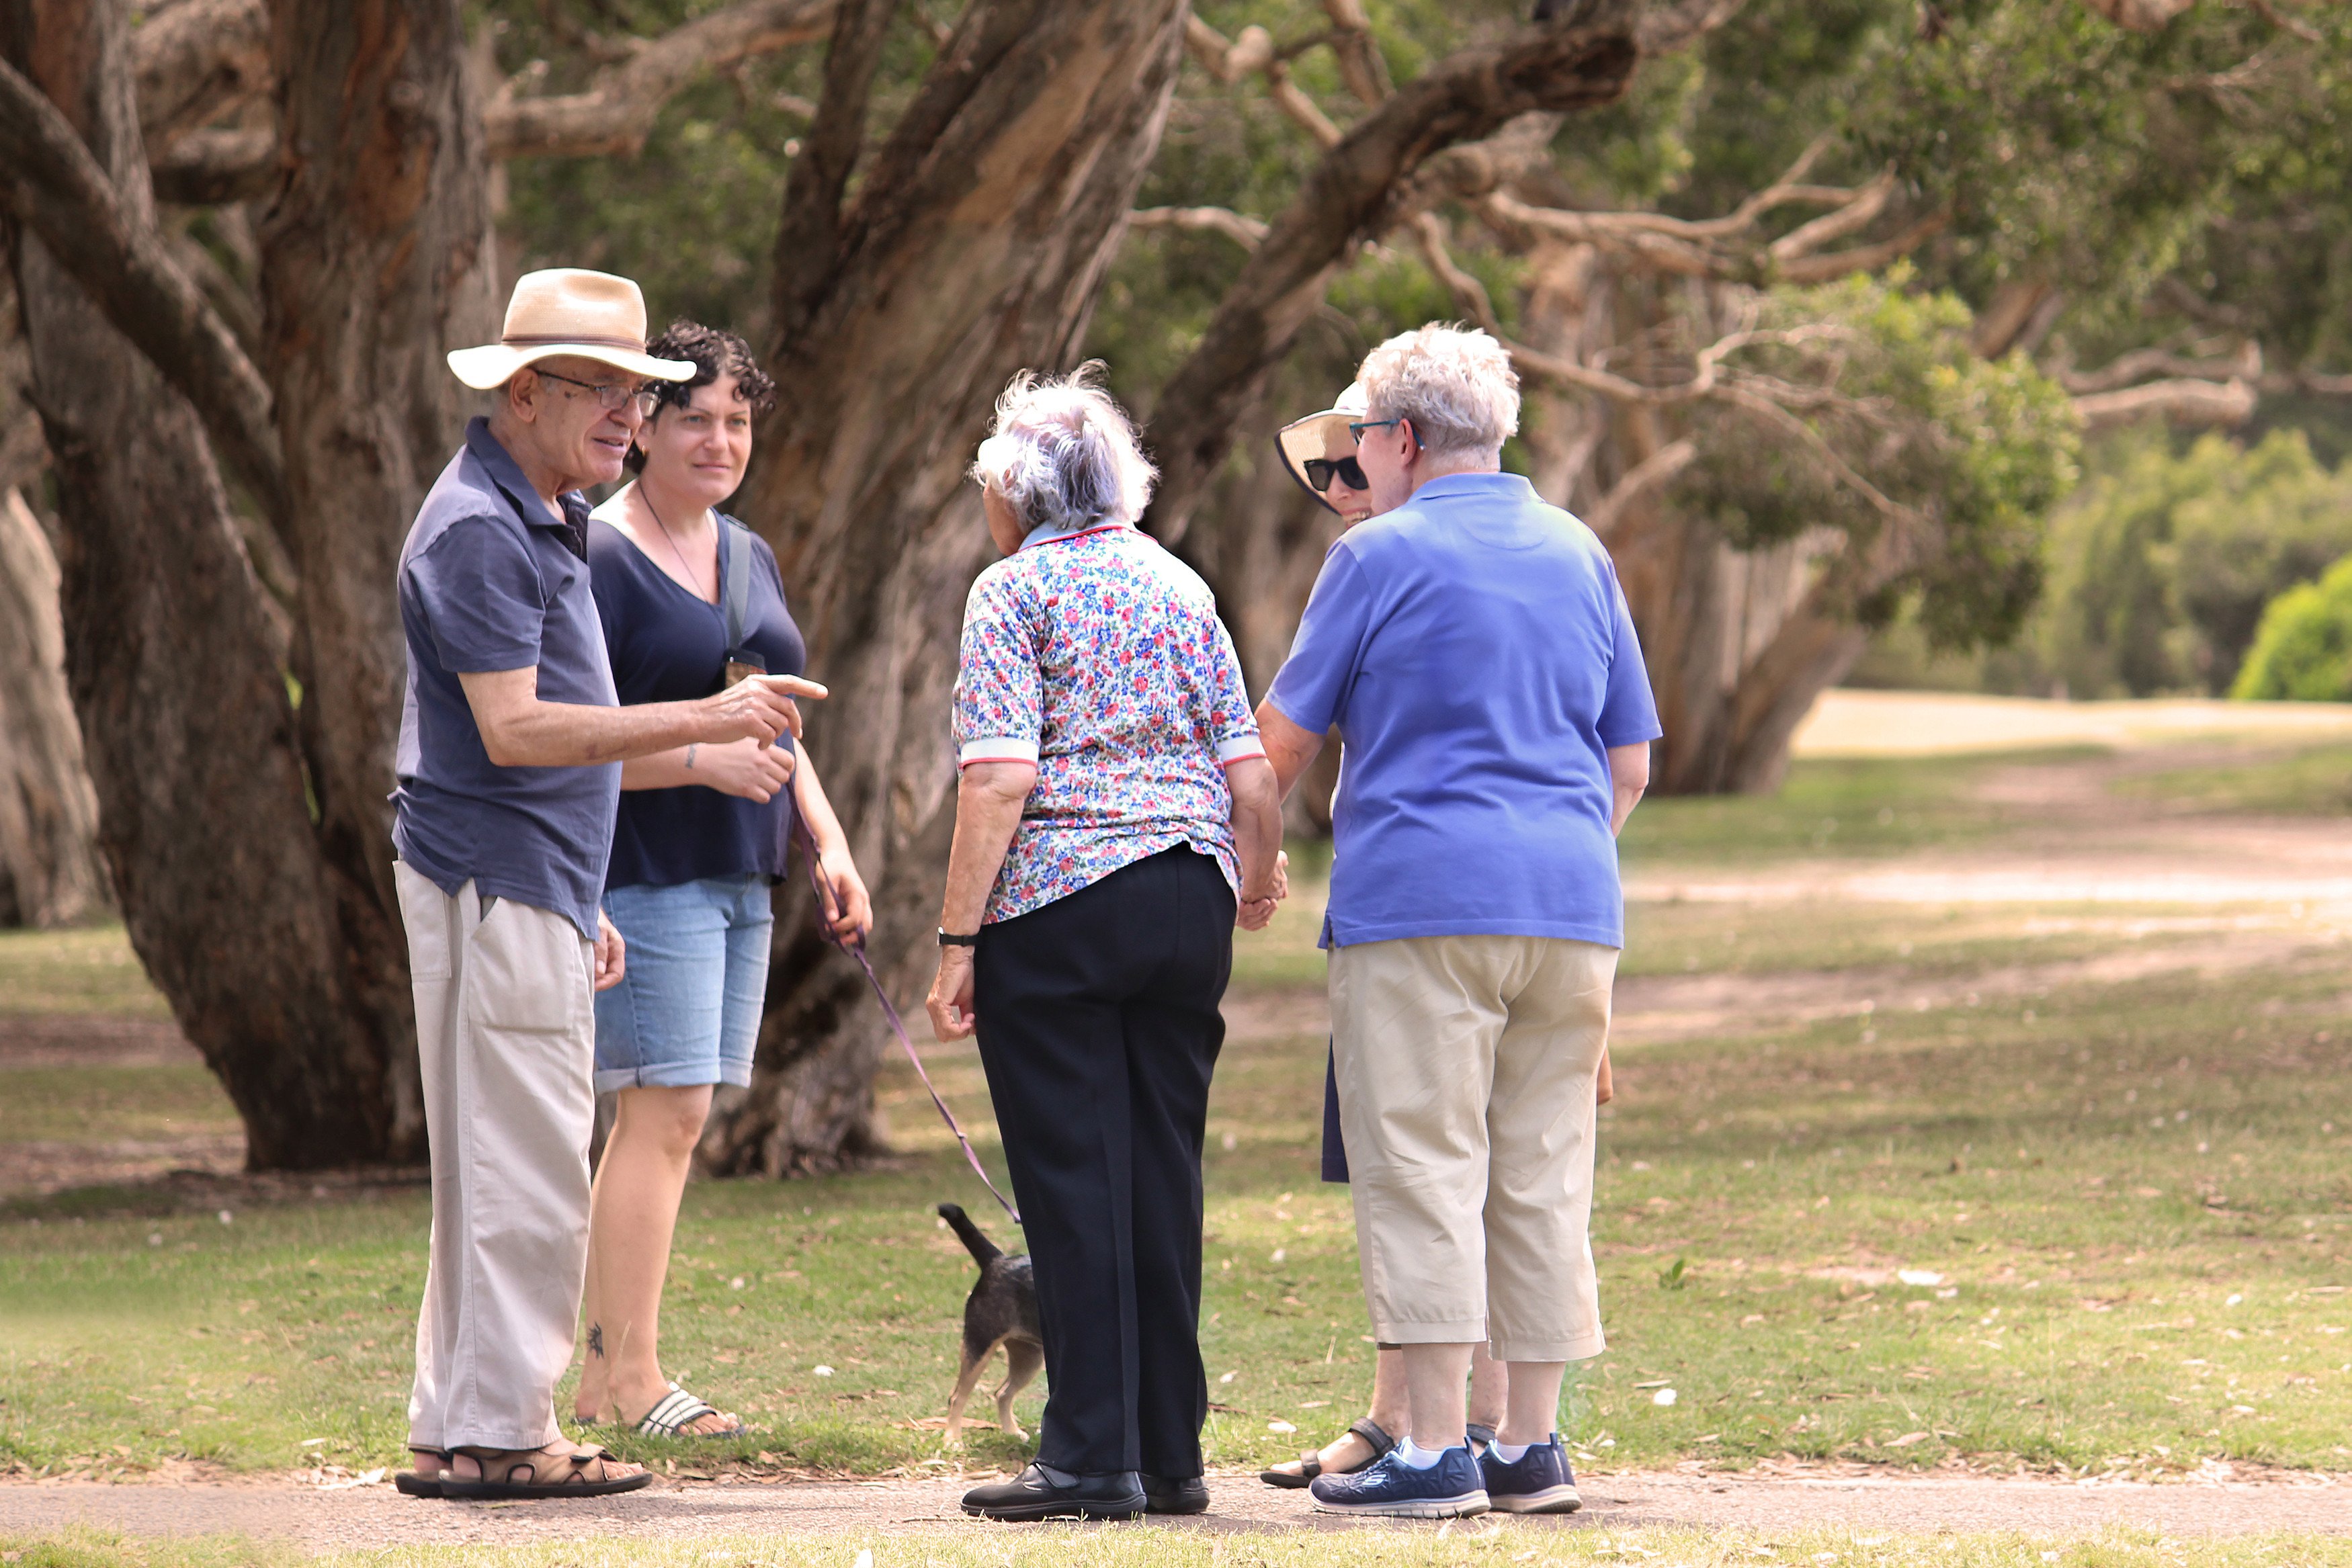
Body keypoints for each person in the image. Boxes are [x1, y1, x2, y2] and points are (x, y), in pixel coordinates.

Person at [390, 269, 823, 1500]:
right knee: (525, 1166)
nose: (629, 417)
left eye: (640, 393)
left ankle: (459, 1422)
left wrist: (582, 899)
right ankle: (509, 1433)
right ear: (523, 392)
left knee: (500, 1160)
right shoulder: (482, 525)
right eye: (604, 391)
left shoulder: (539, 510)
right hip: (493, 875)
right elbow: (518, 731)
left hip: (531, 882)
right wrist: (705, 715)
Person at [1255, 324, 1659, 1518]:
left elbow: (1283, 738)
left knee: (1424, 1161)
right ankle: (1529, 1446)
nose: (1358, 461)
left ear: (1408, 439)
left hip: (1421, 902)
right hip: (1574, 908)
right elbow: (1627, 759)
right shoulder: (1581, 549)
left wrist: (1248, 861)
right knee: (1542, 1170)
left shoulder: (1376, 556)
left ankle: (1433, 1447)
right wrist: (1559, 856)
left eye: (1366, 437)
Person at [923, 366, 1287, 1522]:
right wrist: (1258, 872)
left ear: (1015, 494)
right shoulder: (1181, 585)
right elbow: (1252, 773)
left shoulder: (1011, 590)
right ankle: (1168, 1450)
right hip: (1187, 896)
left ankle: (1087, 1456)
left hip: (1062, 902)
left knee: (1076, 1179)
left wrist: (955, 938)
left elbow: (1000, 778)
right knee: (1161, 1176)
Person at [572, 322, 874, 1439]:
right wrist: (699, 759)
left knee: (675, 1118)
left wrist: (827, 840)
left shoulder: (747, 551)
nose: (719, 437)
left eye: (738, 418)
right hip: (643, 867)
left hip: (743, 873)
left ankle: (608, 1381)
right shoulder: (597, 553)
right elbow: (570, 739)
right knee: (664, 1111)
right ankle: (635, 1378)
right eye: (694, 414)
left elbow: (777, 721)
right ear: (642, 422)